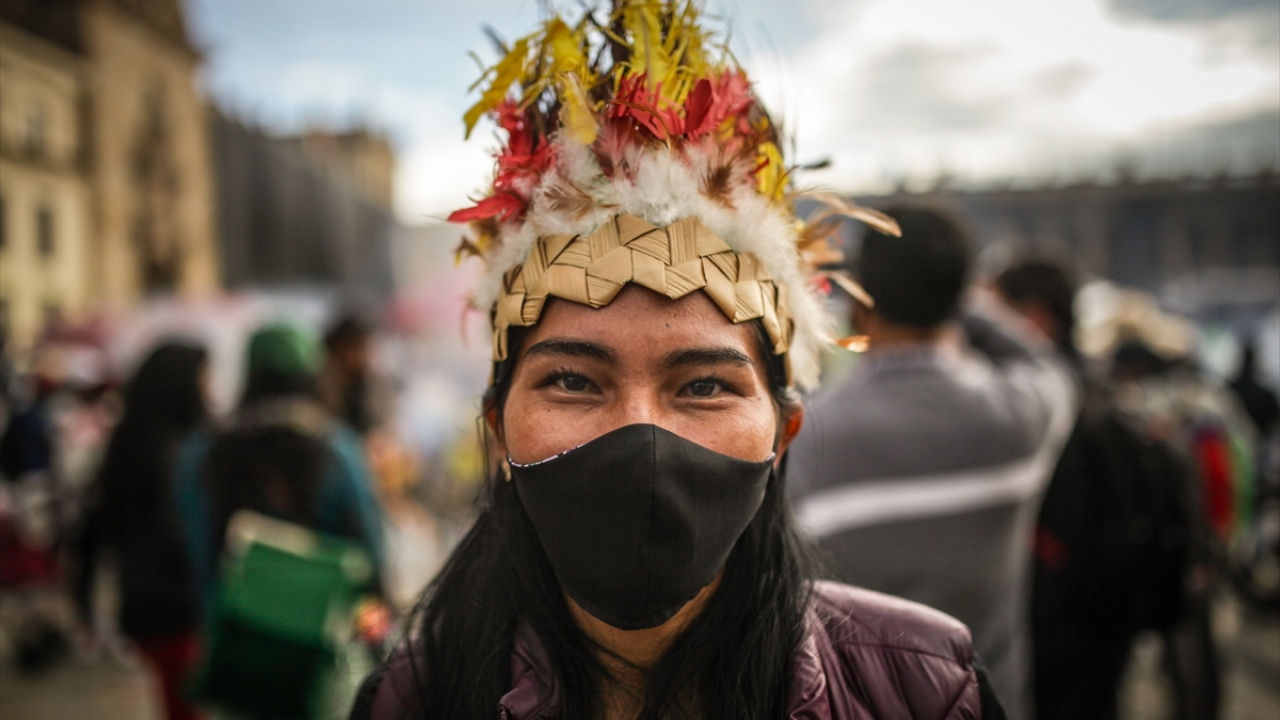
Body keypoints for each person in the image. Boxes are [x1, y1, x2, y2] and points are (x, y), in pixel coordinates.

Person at [352, 3, 1006, 719]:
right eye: (572, 380)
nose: (641, 436)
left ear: (782, 435)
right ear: (499, 431)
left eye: (703, 385)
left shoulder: (924, 692)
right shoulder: (412, 699)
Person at [786, 211, 1077, 720]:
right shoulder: (1022, 420)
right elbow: (1049, 363)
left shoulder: (807, 438)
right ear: (961, 299)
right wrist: (960, 298)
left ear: (860, 307)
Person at [994, 261, 1194, 720]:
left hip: (1055, 644)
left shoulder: (1045, 415)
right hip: (1107, 637)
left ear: (1034, 320)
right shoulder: (1108, 398)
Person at [174, 322, 386, 615]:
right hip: (322, 637)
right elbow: (371, 554)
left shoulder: (201, 452)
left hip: (234, 633)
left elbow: (197, 556)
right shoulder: (337, 449)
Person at [81, 342, 209, 720]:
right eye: (203, 379)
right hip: (179, 606)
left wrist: (84, 597)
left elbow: (98, 526)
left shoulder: (125, 442)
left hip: (143, 605)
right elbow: (176, 533)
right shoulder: (173, 451)